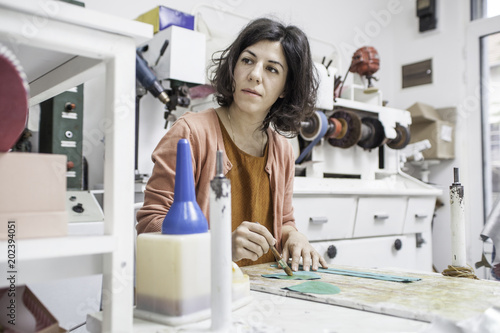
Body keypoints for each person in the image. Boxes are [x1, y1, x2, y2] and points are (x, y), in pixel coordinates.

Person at [136, 17, 328, 272]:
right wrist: (219, 245)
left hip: (261, 291)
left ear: (285, 88)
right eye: (247, 60)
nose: (255, 75)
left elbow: (284, 220)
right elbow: (150, 224)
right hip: (200, 290)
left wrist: (294, 236)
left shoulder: (282, 150)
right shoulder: (191, 132)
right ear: (234, 68)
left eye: (272, 69)